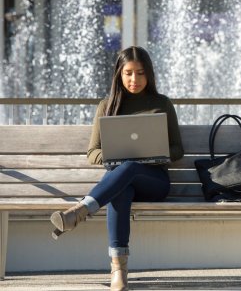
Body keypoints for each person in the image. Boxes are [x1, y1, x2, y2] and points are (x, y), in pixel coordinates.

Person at [49, 46, 184, 291]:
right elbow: (93, 153)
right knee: (120, 187)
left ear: (150, 74)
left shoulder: (162, 103)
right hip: (121, 182)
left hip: (154, 182)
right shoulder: (107, 105)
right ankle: (118, 271)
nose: (135, 79)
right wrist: (113, 156)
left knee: (129, 168)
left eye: (141, 73)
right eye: (129, 73)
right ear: (119, 75)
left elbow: (178, 149)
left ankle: (81, 210)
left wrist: (158, 153)